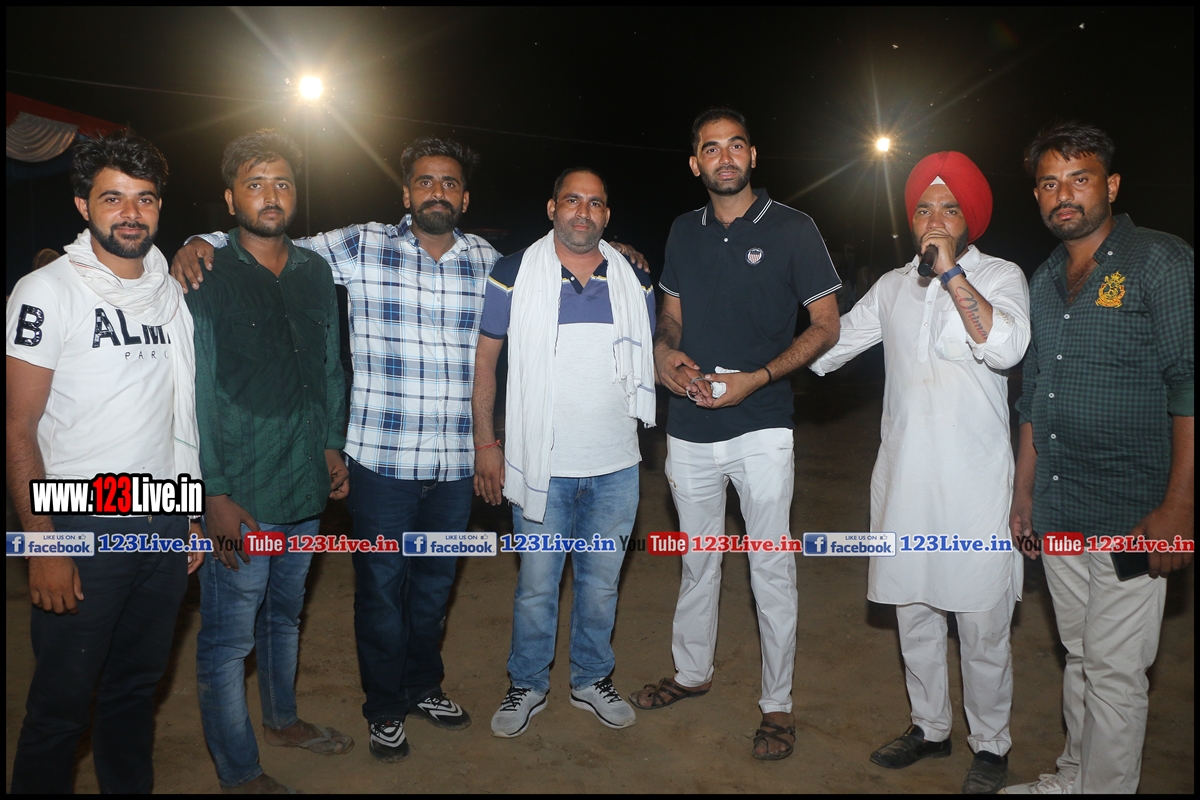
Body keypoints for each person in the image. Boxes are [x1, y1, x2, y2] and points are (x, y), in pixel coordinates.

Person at [172, 138, 650, 761]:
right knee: (380, 589)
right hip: (381, 460)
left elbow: (563, 255)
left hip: (455, 466)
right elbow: (274, 240)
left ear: (465, 198)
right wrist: (202, 239)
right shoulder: (361, 245)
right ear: (406, 193)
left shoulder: (492, 264)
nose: (437, 192)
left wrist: (622, 253)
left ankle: (424, 686)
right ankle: (384, 709)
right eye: (425, 182)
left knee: (433, 589)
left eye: (450, 184)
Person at [811, 152, 1030, 793]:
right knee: (914, 612)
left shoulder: (1001, 276)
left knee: (981, 624)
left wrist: (952, 273)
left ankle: (991, 746)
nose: (935, 219)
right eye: (924, 209)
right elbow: (829, 347)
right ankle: (930, 729)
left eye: (950, 208)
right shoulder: (890, 287)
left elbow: (1006, 346)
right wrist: (757, 347)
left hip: (975, 486)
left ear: (969, 220)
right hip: (905, 481)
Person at [630, 108, 841, 761]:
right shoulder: (682, 230)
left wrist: (760, 377)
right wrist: (665, 353)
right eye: (711, 148)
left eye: (735, 145)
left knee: (769, 565)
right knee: (699, 559)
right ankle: (692, 672)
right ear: (695, 163)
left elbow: (826, 324)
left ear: (753, 155)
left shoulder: (794, 228)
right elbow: (671, 314)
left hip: (762, 424)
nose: (724, 157)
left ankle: (777, 704)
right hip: (690, 425)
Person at [6, 131, 204, 793]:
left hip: (162, 520)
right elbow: (17, 426)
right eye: (112, 198)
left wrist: (188, 514)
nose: (130, 213)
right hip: (81, 522)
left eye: (144, 198)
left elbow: (177, 415)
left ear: (158, 207)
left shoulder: (169, 295)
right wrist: (44, 546)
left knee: (135, 691)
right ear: (82, 205)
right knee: (61, 705)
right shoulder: (46, 292)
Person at [1003, 123, 1194, 795]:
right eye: (1049, 183)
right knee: (1082, 654)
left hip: (1133, 510)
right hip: (1061, 506)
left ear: (1110, 185)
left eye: (1079, 179)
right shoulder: (1044, 279)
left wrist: (1179, 508)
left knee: (1115, 670)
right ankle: (1075, 776)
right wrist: (1024, 494)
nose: (1064, 195)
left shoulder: (1158, 260)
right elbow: (1033, 398)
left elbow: (1189, 384)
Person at [188, 129, 352, 793]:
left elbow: (330, 366)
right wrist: (213, 494)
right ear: (231, 199)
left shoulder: (315, 272)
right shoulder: (206, 273)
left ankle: (282, 720)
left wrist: (332, 443)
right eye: (254, 184)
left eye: (282, 182)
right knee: (229, 642)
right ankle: (239, 770)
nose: (271, 195)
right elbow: (197, 388)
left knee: (284, 617)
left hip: (304, 482)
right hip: (242, 492)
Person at [472, 168, 656, 737]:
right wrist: (486, 443)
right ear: (552, 208)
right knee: (536, 587)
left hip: (616, 466)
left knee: (601, 585)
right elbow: (485, 364)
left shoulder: (634, 278)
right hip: (540, 466)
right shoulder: (512, 273)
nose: (583, 211)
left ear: (607, 215)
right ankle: (527, 684)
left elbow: (648, 357)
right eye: (572, 200)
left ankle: (591, 679)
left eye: (595, 203)